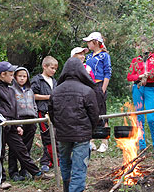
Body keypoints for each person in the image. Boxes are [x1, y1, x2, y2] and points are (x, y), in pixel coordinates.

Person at [0, 61, 52, 189]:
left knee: (21, 149)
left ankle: (36, 173)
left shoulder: (10, 90)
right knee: (0, 152)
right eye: (11, 75)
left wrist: (18, 125)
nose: (13, 77)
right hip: (2, 125)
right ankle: (0, 180)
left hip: (13, 124)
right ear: (2, 75)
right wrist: (3, 121)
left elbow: (15, 109)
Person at [49, 57, 99, 192]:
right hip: (81, 136)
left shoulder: (55, 91)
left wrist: (59, 127)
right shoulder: (87, 91)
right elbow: (94, 115)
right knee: (79, 167)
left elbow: (52, 114)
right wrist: (89, 130)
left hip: (63, 135)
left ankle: (67, 188)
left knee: (65, 163)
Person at [127, 39, 154, 156]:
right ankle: (142, 147)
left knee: (151, 118)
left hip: (150, 88)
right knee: (140, 119)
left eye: (144, 45)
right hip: (138, 88)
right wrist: (139, 76)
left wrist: (149, 73)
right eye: (139, 45)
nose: (142, 48)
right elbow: (130, 76)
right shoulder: (135, 60)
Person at [8, 67, 38, 182]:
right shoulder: (11, 90)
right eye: (20, 76)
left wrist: (35, 115)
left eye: (24, 76)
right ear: (15, 77)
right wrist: (17, 124)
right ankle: (13, 171)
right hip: (18, 120)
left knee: (27, 147)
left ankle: (24, 170)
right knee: (15, 147)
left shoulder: (30, 90)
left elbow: (34, 103)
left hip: (30, 120)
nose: (22, 78)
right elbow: (12, 107)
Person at [83, 32, 112, 152]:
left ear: (95, 42)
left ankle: (104, 142)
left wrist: (103, 89)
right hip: (89, 86)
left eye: (89, 41)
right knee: (90, 112)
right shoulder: (89, 56)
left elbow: (108, 73)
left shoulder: (104, 56)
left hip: (99, 85)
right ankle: (92, 141)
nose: (88, 44)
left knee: (102, 113)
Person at [30, 56, 59, 172]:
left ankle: (53, 160)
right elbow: (32, 95)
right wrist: (48, 97)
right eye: (52, 68)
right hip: (42, 111)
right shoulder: (37, 80)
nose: (54, 71)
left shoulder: (54, 81)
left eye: (55, 69)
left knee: (56, 136)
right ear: (44, 66)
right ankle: (46, 161)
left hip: (54, 111)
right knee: (47, 137)